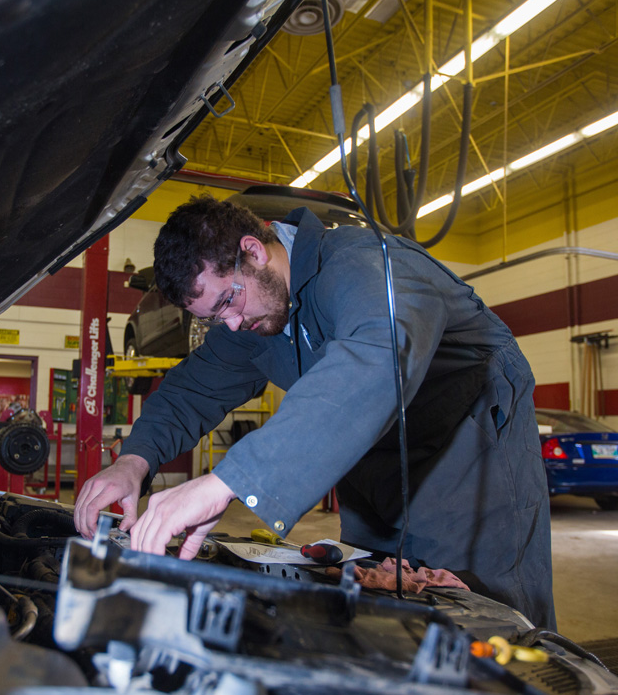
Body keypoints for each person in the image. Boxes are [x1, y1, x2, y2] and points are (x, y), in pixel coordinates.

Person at [74, 195, 555, 630]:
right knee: (379, 619)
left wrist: (228, 482)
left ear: (254, 250)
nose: (233, 323)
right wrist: (132, 462)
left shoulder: (362, 262)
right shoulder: (256, 316)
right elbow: (191, 389)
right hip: (376, 473)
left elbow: (376, 358)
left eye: (228, 300)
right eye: (215, 317)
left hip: (472, 460)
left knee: (487, 627)